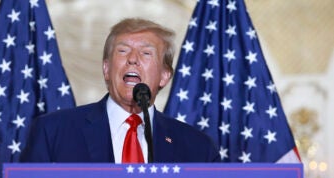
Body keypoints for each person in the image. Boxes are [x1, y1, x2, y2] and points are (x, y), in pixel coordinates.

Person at [20, 18, 220, 163]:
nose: (133, 59)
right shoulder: (52, 132)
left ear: (165, 76)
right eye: (122, 51)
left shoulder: (197, 148)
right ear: (106, 69)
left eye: (146, 53)